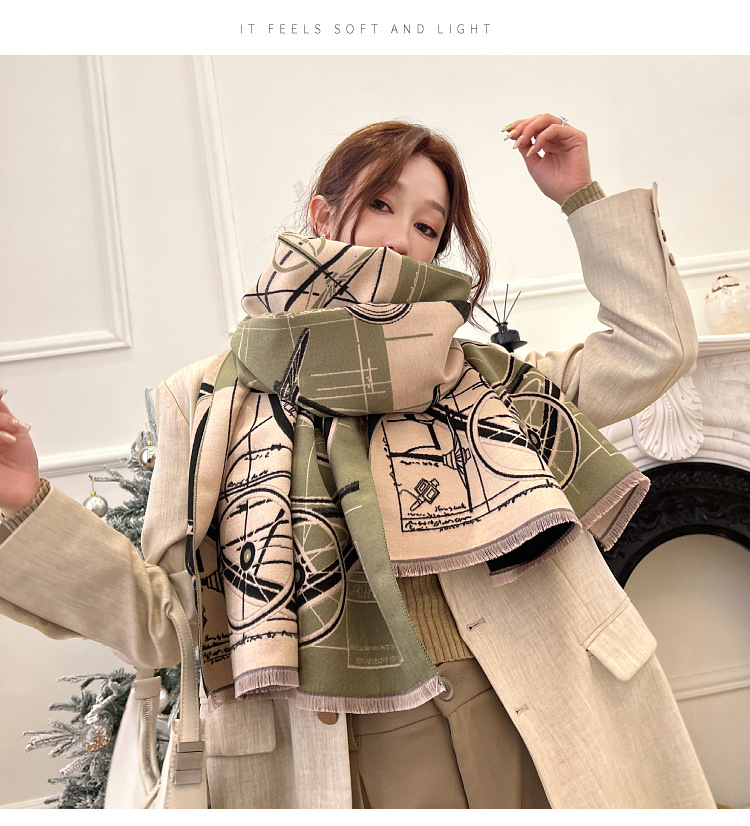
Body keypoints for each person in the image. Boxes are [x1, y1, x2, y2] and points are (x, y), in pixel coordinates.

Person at [0, 114, 716, 809]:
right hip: (345, 753)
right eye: (381, 204)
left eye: (428, 227)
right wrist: (28, 504)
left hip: (529, 706)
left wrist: (579, 197)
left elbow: (653, 350)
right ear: (322, 213)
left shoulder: (484, 381)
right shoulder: (208, 399)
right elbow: (169, 623)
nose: (401, 238)